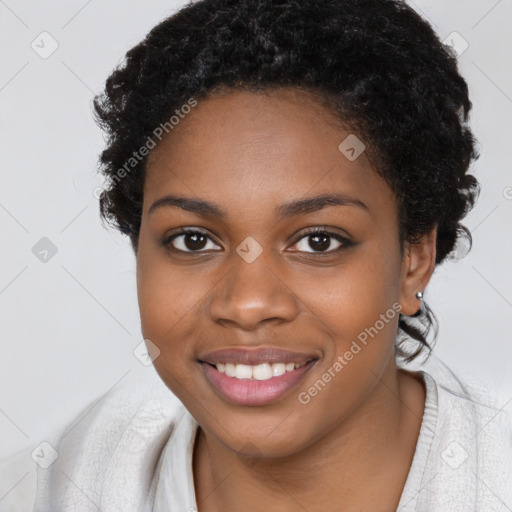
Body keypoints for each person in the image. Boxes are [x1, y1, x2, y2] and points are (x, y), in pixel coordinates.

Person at [32, 0, 512, 510]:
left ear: (414, 259)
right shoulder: (63, 483)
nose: (248, 304)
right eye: (194, 240)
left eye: (318, 241)